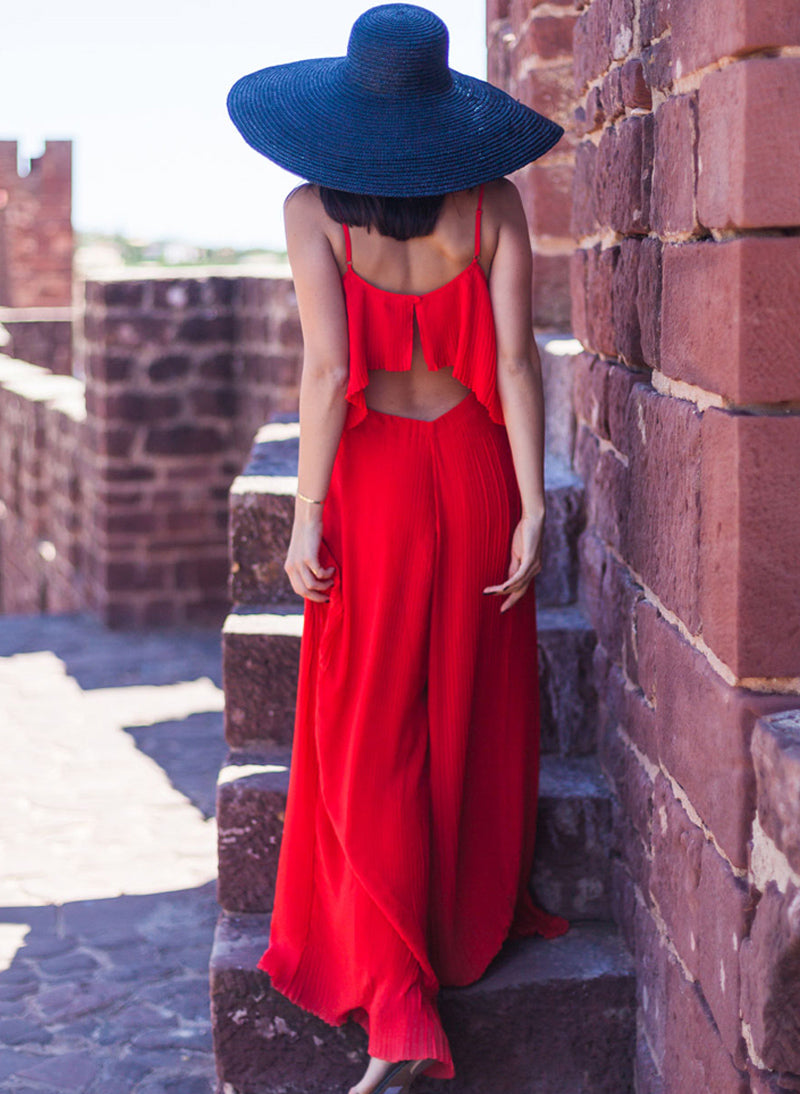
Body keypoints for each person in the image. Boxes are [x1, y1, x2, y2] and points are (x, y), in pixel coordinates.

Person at [227, 5, 570, 1092]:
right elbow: (514, 362)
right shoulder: (489, 202)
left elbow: (328, 375)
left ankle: (396, 1003)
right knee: (463, 700)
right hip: (470, 467)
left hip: (372, 485)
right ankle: (447, 927)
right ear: (439, 111)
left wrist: (305, 513)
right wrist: (529, 504)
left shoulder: (309, 210)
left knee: (368, 719)